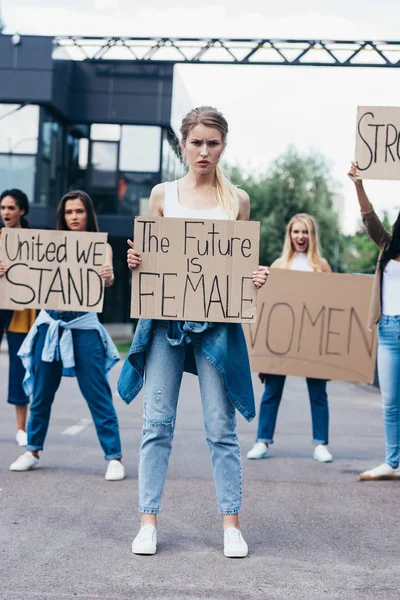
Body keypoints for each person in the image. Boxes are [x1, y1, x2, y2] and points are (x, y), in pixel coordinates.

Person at [118, 106, 268, 557]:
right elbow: (153, 264)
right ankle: (148, 521)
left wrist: (252, 278)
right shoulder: (163, 195)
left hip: (216, 328)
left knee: (221, 427)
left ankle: (231, 524)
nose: (204, 151)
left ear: (224, 145)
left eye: (213, 143)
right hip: (165, 323)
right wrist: (136, 265)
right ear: (183, 144)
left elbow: (234, 267)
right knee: (156, 423)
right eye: (196, 142)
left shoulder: (236, 200)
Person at [9, 190, 125, 482]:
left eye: (80, 211)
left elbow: (108, 278)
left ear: (89, 214)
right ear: (63, 216)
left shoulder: (102, 248)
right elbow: (25, 275)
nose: (74, 217)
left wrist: (108, 276)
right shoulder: (49, 244)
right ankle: (33, 450)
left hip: (84, 328)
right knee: (41, 393)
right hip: (49, 327)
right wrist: (5, 270)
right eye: (69, 212)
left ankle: (114, 457)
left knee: (98, 395)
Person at [247, 213, 334, 464]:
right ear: (290, 235)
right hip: (281, 340)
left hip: (313, 339)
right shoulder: (278, 265)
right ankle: (262, 441)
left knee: (318, 393)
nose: (301, 237)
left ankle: (321, 444)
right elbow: (268, 309)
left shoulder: (322, 266)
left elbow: (332, 307)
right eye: (296, 232)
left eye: (305, 232)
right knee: (272, 391)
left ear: (312, 236)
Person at [348, 162, 400, 481]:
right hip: (389, 330)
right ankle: (392, 461)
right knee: (390, 401)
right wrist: (358, 184)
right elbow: (369, 219)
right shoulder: (387, 245)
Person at [0, 189, 36, 447]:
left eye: (11, 208)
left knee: (19, 367)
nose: (5, 213)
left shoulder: (35, 241)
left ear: (21, 210)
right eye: (2, 208)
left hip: (20, 312)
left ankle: (21, 428)